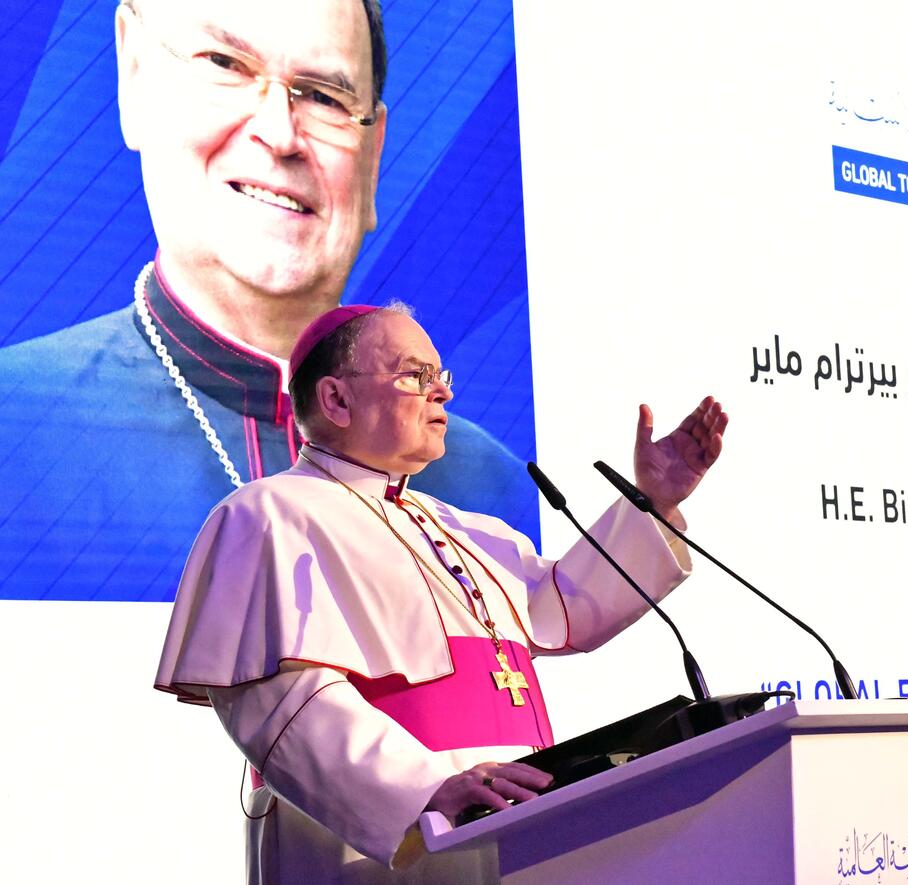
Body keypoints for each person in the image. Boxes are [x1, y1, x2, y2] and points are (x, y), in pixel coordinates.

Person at [155, 303, 727, 882]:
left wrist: (651, 503)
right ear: (335, 400)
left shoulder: (466, 529)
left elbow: (567, 607)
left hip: (519, 829)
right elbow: (283, 705)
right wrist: (422, 789)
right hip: (378, 849)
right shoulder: (268, 516)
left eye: (441, 377)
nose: (443, 395)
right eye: (414, 377)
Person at [0, 0, 535, 602]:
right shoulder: (11, 432)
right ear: (134, 74)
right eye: (224, 63)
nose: (280, 134)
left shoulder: (494, 486)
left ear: (373, 156)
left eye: (326, 98)